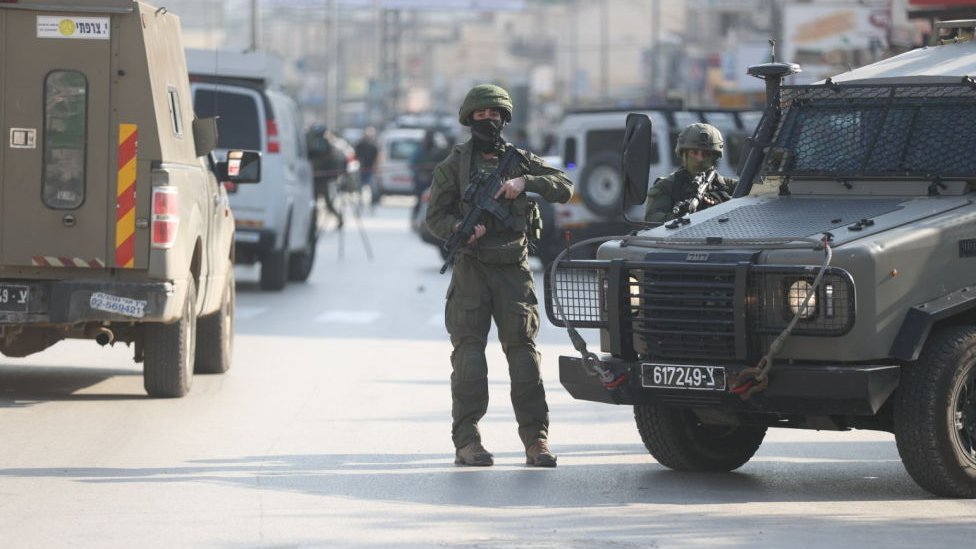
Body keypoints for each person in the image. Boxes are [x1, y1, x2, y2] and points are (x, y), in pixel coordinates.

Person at [426, 84, 573, 468]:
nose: (488, 121)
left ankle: (536, 440)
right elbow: (434, 217)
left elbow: (565, 185)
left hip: (513, 270)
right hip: (471, 269)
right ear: (469, 119)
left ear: (504, 119)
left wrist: (526, 182)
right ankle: (467, 441)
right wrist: (459, 228)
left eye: (495, 115)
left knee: (524, 359)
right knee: (470, 361)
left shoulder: (519, 160)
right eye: (481, 115)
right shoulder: (454, 165)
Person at [645, 123, 737, 223]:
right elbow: (652, 218)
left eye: (706, 154)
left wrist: (722, 206)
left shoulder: (731, 186)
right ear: (683, 154)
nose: (700, 159)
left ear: (714, 157)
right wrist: (677, 217)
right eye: (694, 153)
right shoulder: (666, 186)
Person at [410, 129, 449, 218]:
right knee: (419, 200)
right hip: (420, 180)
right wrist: (420, 174)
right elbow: (413, 164)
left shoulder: (438, 152)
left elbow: (442, 167)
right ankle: (416, 218)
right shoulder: (419, 151)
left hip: (433, 180)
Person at [354, 126, 379, 198]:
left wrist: (376, 168)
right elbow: (356, 156)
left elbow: (376, 158)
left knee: (372, 187)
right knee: (360, 187)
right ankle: (360, 198)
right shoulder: (360, 145)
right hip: (361, 169)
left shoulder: (374, 147)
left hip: (370, 170)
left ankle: (372, 200)